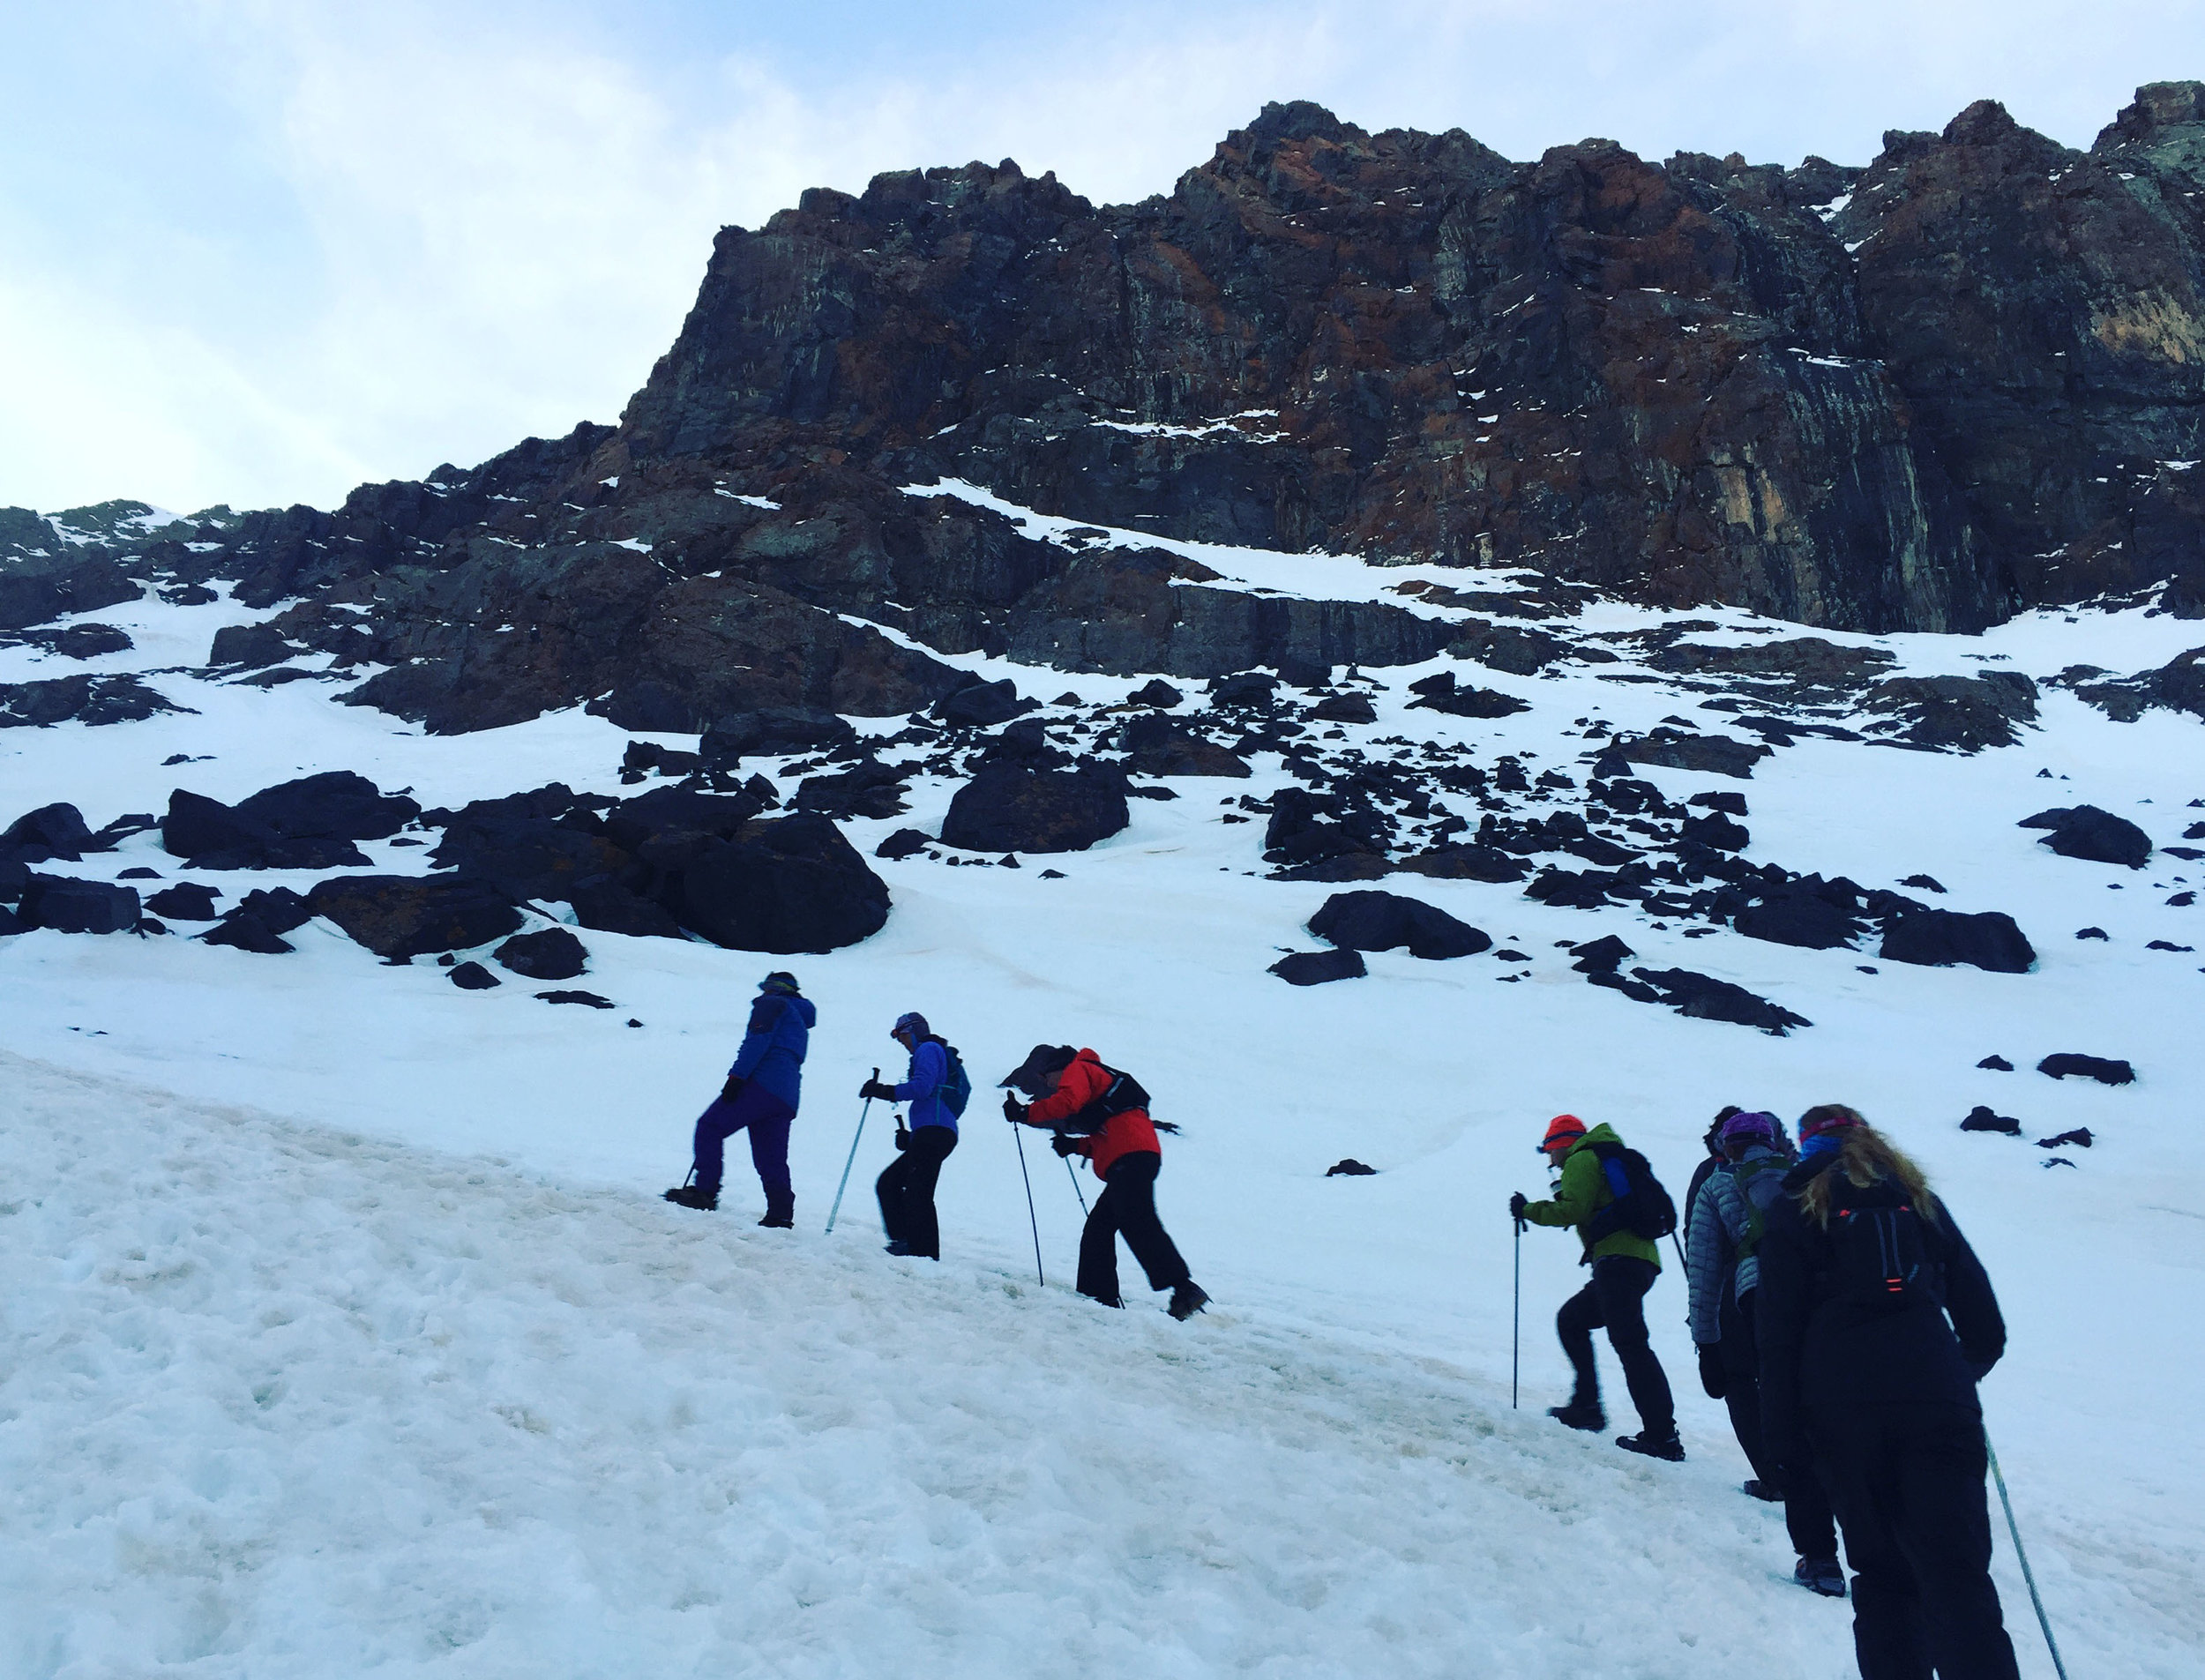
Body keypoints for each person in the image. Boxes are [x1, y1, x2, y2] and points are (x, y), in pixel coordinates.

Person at [1757, 1104, 2020, 1679]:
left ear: (1805, 1147)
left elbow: (1775, 1336)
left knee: (1882, 1579)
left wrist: (1781, 1440)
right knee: (1957, 1577)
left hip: (1841, 1415)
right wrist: (1951, 1375)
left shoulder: (1795, 1208)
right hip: (1937, 1407)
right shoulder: (1918, 1200)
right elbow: (1986, 1327)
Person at [1685, 1109, 1843, 1595]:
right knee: (1829, 1415)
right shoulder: (1811, 1179)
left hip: (1757, 1300)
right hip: (1827, 1306)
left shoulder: (1718, 1182)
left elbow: (1704, 1270)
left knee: (1778, 1414)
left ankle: (1819, 1559)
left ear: (1727, 1147)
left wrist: (1705, 1342)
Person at [1512, 1113, 1681, 1460]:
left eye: (1550, 1150)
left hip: (1618, 1262)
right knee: (1573, 1320)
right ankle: (1587, 1406)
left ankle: (1662, 1437)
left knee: (1631, 1345)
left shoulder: (1581, 1159)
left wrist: (1527, 1209)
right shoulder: (1606, 1157)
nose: (1550, 1159)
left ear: (1562, 1144)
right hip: (1637, 1260)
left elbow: (1571, 1210)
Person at [1000, 1044, 1208, 1321]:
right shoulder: (1101, 1088)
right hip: (1134, 1155)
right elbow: (1107, 1135)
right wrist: (1073, 1147)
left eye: (1046, 1076)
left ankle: (1181, 1288)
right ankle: (1100, 1297)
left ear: (1058, 1069)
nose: (1046, 1083)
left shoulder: (1078, 1069)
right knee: (1101, 1227)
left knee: (1137, 1220)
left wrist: (1026, 1113)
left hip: (1130, 1156)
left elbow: (1069, 1102)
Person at [664, 971, 814, 1226]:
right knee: (771, 1158)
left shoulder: (772, 1004)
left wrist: (736, 1078)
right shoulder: (799, 1021)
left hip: (761, 1083)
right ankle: (780, 1213)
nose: (762, 993)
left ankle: (705, 1192)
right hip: (787, 1095)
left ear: (773, 988)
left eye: (765, 988)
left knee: (710, 1127)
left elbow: (757, 1041)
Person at [861, 1012, 960, 1259]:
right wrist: (912, 1138)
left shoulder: (927, 1049)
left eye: (901, 1035)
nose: (901, 1041)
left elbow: (922, 1087)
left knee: (917, 1190)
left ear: (913, 1031)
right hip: (934, 1131)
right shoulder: (931, 1050)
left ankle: (920, 1252)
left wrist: (884, 1091)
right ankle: (910, 1244)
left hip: (934, 1131)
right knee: (892, 1183)